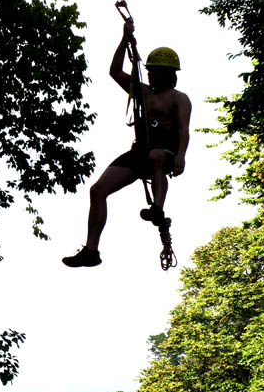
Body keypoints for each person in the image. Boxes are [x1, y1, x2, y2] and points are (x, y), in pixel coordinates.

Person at [62, 20, 192, 268]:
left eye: (153, 70)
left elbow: (183, 129)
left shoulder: (180, 99)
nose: (149, 73)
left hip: (164, 151)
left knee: (155, 156)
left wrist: (180, 156)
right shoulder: (143, 92)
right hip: (139, 151)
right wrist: (125, 40)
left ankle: (157, 208)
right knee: (98, 191)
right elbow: (115, 72)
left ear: (165, 72)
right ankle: (91, 250)